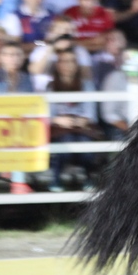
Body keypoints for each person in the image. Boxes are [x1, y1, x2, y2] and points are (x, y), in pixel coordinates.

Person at [45, 49, 99, 192]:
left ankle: (89, 177)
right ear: (57, 65)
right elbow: (48, 114)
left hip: (82, 126)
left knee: (85, 145)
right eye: (63, 61)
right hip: (60, 127)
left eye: (71, 61)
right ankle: (56, 178)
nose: (67, 65)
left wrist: (78, 121)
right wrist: (59, 120)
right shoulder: (50, 87)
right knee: (66, 142)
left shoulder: (87, 85)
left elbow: (91, 114)